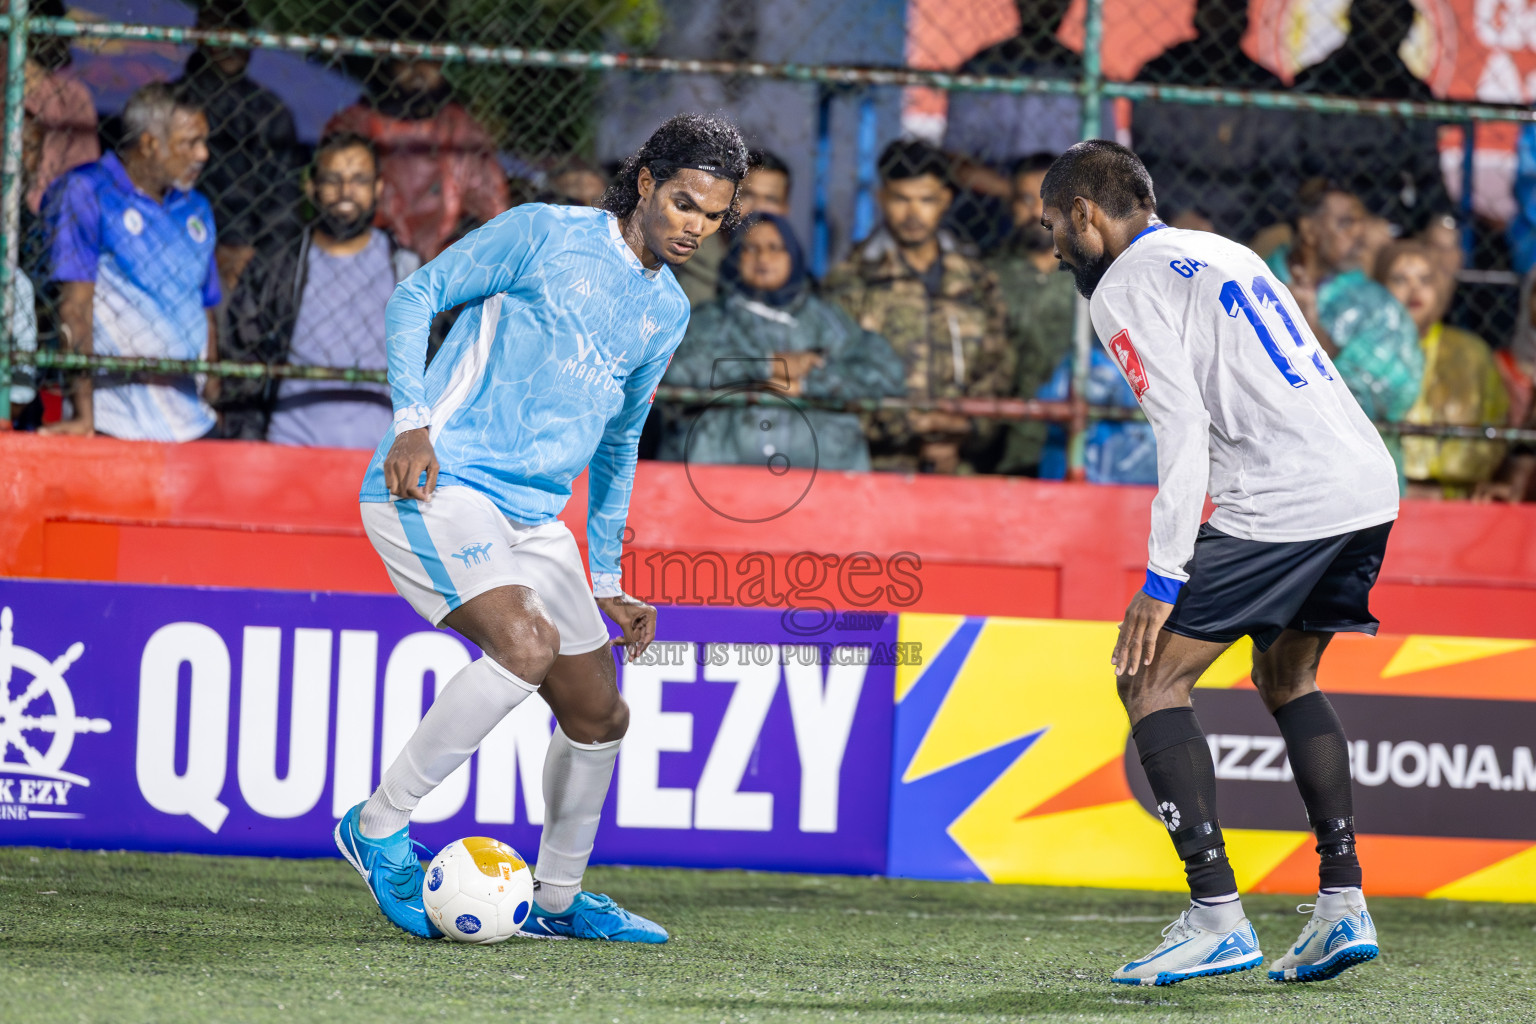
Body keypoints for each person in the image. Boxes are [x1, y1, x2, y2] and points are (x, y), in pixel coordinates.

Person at [333, 113, 748, 944]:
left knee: (601, 716)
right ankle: (377, 827)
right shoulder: (542, 234)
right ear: (645, 184)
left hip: (534, 518)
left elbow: (622, 441)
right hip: (438, 481)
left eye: (713, 216)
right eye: (685, 203)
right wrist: (412, 419)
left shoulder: (667, 311)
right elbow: (419, 294)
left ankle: (556, 901)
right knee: (523, 646)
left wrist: (603, 580)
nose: (696, 227)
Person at [1043, 140, 1395, 985]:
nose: (1054, 245)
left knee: (1149, 680)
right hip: (1366, 483)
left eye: (1055, 225)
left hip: (1286, 494)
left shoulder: (1123, 285)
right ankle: (1342, 904)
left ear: (1088, 215)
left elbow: (1183, 428)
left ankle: (1216, 915)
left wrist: (1164, 576)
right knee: (1289, 680)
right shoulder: (1219, 249)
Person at [39, 83, 220, 441]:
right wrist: (84, 415)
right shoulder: (86, 191)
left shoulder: (196, 206)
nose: (203, 154)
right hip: (116, 421)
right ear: (150, 144)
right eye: (190, 142)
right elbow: (74, 307)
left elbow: (205, 307)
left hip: (194, 422)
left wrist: (214, 394)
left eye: (205, 141)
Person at [660, 212, 904, 471]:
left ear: (794, 256)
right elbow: (674, 369)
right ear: (735, 256)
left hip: (822, 476)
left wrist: (806, 384)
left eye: (775, 248)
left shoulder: (827, 321)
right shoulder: (711, 319)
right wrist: (767, 366)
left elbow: (887, 374)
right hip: (718, 472)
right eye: (750, 248)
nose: (763, 258)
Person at [823, 140, 1012, 474]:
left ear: (945, 201)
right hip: (873, 466)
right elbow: (835, 372)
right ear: (882, 199)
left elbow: (998, 366)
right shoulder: (851, 282)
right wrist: (907, 424)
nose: (912, 214)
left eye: (926, 200)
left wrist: (963, 428)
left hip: (960, 465)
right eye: (901, 199)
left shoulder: (976, 281)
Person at [222, 133, 421, 445]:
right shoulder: (279, 265)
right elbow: (242, 356)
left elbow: (437, 361)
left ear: (378, 188)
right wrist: (248, 446)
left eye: (358, 179)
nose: (346, 192)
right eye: (332, 180)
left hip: (382, 462)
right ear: (311, 187)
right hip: (290, 449)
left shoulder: (408, 269)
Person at [1264, 180, 1423, 479]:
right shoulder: (1252, 280)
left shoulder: (1378, 304)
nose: (1360, 236)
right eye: (1346, 223)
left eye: (1362, 224)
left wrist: (1311, 334)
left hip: (1358, 476)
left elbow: (1392, 393)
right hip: (1266, 471)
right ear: (1310, 231)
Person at [325, 35, 509, 260]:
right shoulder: (355, 123)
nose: (419, 70)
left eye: (429, 60)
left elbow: (489, 206)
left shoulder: (461, 128)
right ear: (390, 61)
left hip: (447, 260)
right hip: (371, 257)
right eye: (408, 59)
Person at [1131, 0, 1295, 241]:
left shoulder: (1267, 87)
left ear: (1245, 19)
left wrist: (1259, 228)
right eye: (1215, 9)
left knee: (1281, 236)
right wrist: (1173, 215)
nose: (1223, 21)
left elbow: (1281, 178)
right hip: (1169, 219)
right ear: (1198, 13)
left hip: (1247, 228)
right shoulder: (1160, 74)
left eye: (1233, 10)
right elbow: (1146, 165)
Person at [173, 0, 301, 292]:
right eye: (219, 30)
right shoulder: (170, 105)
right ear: (199, 34)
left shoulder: (270, 113)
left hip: (252, 261)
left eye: (238, 30)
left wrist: (255, 256)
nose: (230, 41)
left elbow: (284, 205)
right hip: (175, 248)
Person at [1293, 0, 1448, 235]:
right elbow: (1299, 166)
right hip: (1321, 211)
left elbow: (1428, 177)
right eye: (1374, 14)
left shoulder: (1415, 95)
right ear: (1354, 18)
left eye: (1396, 18)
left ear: (1407, 26)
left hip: (1387, 218)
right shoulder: (1313, 85)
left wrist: (1441, 223)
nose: (1384, 27)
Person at [1374, 241, 1509, 498]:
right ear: (1379, 287)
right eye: (1400, 279)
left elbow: (1496, 423)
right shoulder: (1360, 353)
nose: (1414, 290)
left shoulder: (1471, 352)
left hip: (1457, 497)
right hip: (1381, 497)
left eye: (1425, 280)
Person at [985, 153, 1076, 476]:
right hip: (999, 443)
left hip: (1072, 445)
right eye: (1025, 200)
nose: (1038, 213)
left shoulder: (1098, 280)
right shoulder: (986, 276)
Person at [673, 149, 791, 308]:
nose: (757, 209)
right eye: (748, 196)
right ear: (728, 200)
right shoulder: (683, 269)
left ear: (785, 209)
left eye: (770, 200)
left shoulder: (794, 276)